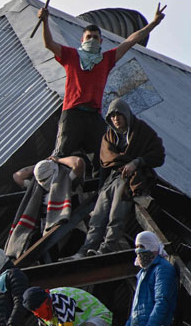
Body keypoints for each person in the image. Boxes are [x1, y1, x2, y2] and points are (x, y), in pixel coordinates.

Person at [37, 3, 166, 165]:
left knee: (101, 159)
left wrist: (153, 23)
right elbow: (49, 44)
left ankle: (99, 186)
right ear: (82, 40)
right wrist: (44, 21)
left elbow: (131, 41)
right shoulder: (71, 55)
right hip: (73, 113)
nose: (92, 40)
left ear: (101, 41)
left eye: (95, 37)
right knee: (60, 154)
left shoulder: (106, 59)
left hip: (94, 115)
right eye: (89, 37)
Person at [69, 99, 166, 258]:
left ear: (126, 115)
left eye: (119, 115)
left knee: (116, 215)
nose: (116, 119)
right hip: (111, 179)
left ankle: (106, 248)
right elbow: (104, 165)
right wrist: (101, 189)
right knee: (97, 217)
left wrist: (137, 162)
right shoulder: (108, 137)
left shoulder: (141, 131)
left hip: (131, 179)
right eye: (112, 116)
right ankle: (85, 251)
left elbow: (158, 155)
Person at [120, 231, 178, 326]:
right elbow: (135, 308)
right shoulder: (142, 273)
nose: (138, 251)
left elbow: (162, 300)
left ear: (152, 246)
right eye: (136, 247)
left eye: (142, 246)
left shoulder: (162, 269)